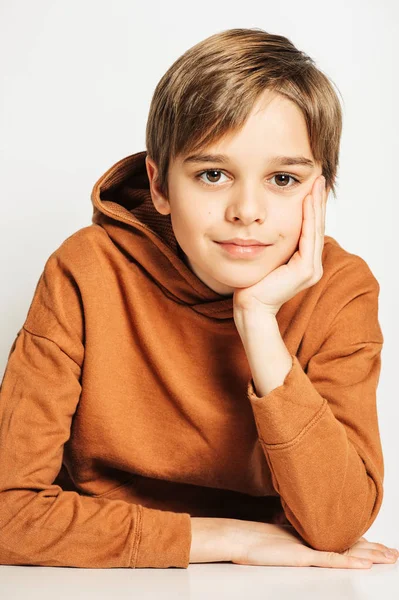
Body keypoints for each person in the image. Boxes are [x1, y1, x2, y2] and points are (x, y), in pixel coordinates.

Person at [0, 27, 397, 570]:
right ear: (159, 185)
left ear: (319, 191)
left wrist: (257, 319)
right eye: (213, 174)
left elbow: (336, 524)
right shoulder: (86, 271)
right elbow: (8, 514)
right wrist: (231, 541)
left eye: (283, 178)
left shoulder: (342, 290)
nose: (247, 209)